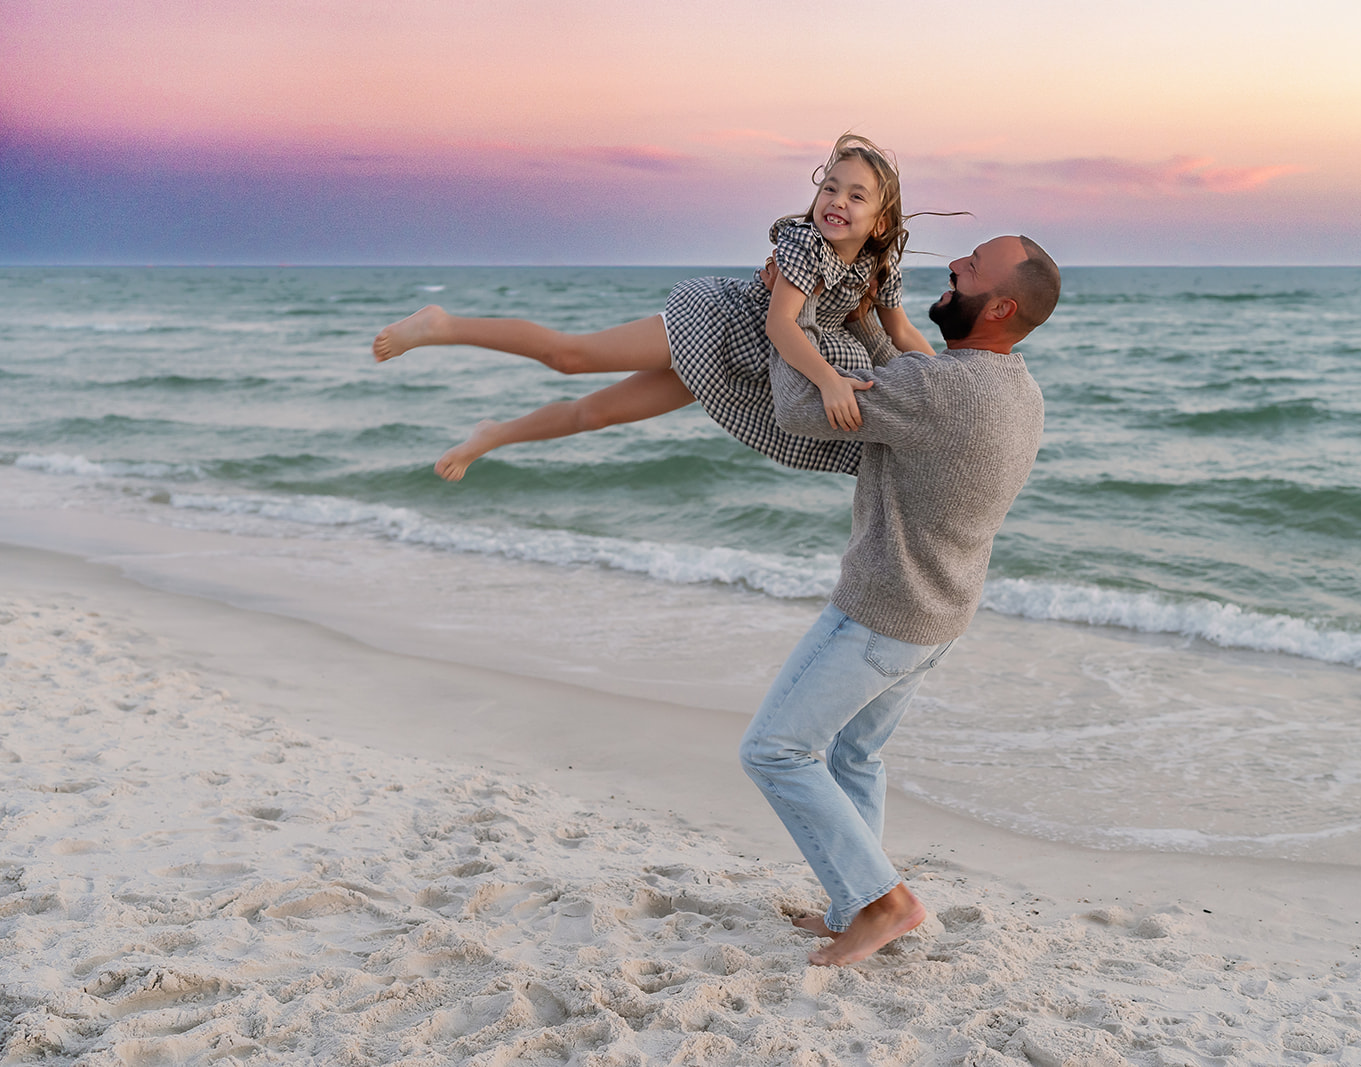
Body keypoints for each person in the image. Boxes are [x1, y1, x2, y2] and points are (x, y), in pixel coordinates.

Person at [739, 234, 1061, 966]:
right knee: (855, 754)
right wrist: (872, 314)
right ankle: (854, 903)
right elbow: (913, 367)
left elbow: (797, 406)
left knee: (774, 749)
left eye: (970, 267)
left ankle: (885, 900)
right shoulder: (1014, 387)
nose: (953, 265)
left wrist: (789, 310)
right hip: (939, 615)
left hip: (881, 612)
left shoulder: (940, 392)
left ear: (999, 304)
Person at [370, 133, 936, 480]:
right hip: (714, 326)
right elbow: (780, 324)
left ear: (880, 221)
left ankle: (492, 435)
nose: (836, 201)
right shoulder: (804, 244)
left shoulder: (877, 268)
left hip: (730, 366)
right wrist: (830, 382)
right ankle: (443, 323)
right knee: (570, 356)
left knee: (595, 415)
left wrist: (950, 377)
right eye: (829, 187)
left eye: (855, 195)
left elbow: (902, 331)